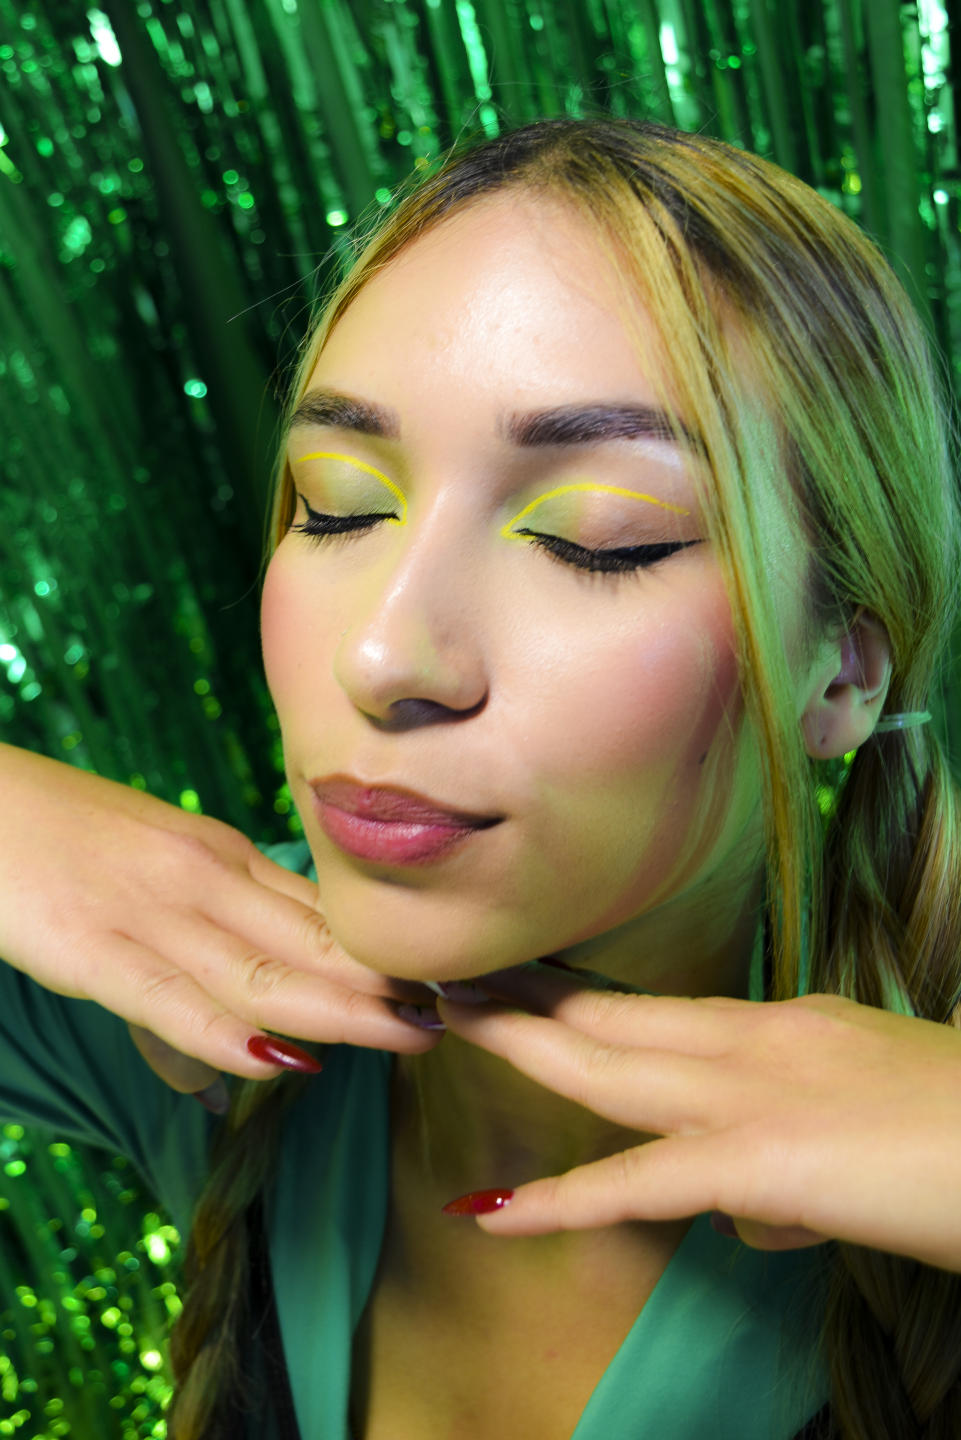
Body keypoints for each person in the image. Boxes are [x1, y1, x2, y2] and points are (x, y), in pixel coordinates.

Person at [2, 115, 961, 1440]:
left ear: (841, 672)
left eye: (594, 539)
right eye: (336, 504)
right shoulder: (198, 999)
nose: (385, 655)